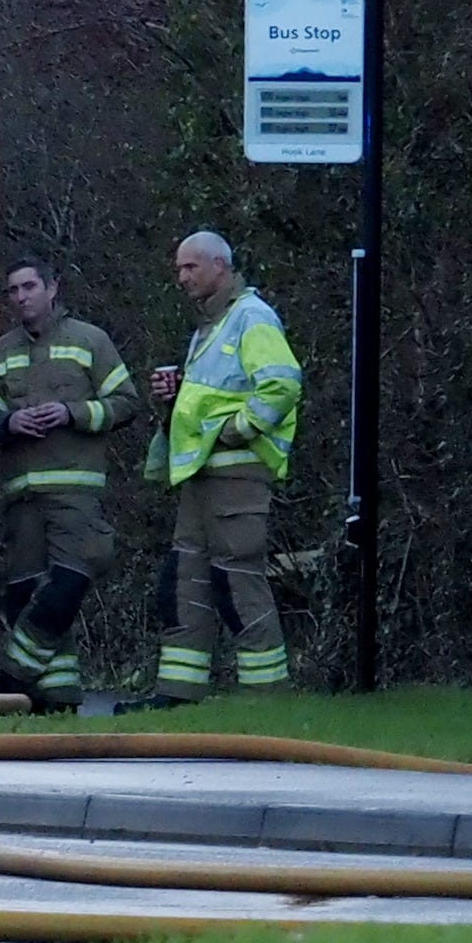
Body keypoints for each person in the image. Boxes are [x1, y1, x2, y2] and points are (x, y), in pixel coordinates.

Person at [0, 255, 142, 703]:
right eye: (13, 290)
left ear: (52, 289)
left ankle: (7, 686)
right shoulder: (1, 351)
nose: (21, 297)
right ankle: (57, 701)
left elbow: (126, 401)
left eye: (29, 287)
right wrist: (7, 424)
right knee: (27, 595)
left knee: (63, 590)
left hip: (75, 490)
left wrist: (73, 413)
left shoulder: (90, 340)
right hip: (21, 496)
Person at [140, 230, 301, 702]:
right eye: (178, 268)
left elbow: (282, 385)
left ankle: (267, 696)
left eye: (190, 267)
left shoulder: (251, 318)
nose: (181, 277)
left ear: (220, 266)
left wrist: (236, 429)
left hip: (237, 473)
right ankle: (177, 693)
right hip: (203, 476)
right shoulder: (211, 326)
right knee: (185, 578)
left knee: (237, 580)